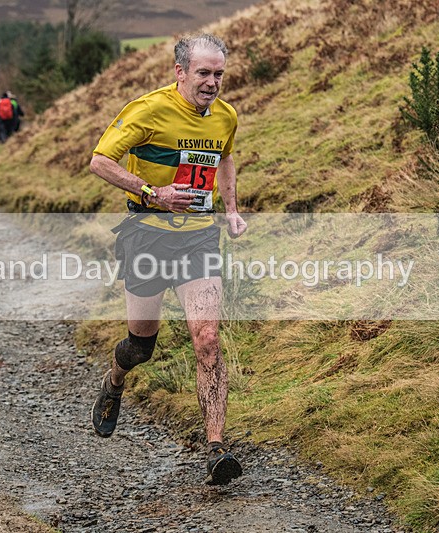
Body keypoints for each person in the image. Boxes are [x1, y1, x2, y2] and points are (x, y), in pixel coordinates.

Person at [89, 33, 248, 486]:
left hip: (198, 239)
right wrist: (152, 192)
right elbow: (100, 161)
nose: (212, 83)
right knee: (141, 345)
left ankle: (216, 447)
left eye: (218, 74)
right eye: (203, 73)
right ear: (180, 72)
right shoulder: (147, 110)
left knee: (208, 340)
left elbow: (226, 157)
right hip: (146, 237)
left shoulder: (226, 117)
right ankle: (115, 381)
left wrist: (232, 210)